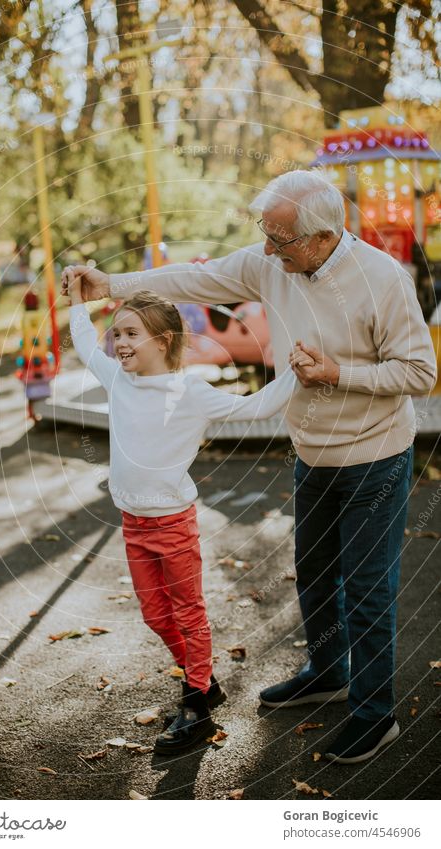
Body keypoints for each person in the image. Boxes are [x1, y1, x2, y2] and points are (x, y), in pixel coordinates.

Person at [61, 169, 437, 764]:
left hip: (375, 458)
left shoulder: (382, 280)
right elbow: (199, 277)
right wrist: (111, 284)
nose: (266, 249)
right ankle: (327, 671)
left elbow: (419, 373)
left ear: (319, 238)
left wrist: (338, 374)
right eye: (265, 233)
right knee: (313, 574)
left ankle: (373, 712)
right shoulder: (273, 263)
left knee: (367, 589)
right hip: (311, 454)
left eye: (279, 238)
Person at [63, 275, 310, 755]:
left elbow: (256, 408)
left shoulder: (189, 392)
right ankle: (203, 680)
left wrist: (293, 373)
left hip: (174, 524)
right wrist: (77, 301)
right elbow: (81, 341)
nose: (120, 341)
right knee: (156, 616)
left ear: (163, 340)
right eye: (117, 333)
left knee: (189, 613)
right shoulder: (117, 379)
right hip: (133, 524)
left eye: (132, 333)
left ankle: (196, 701)